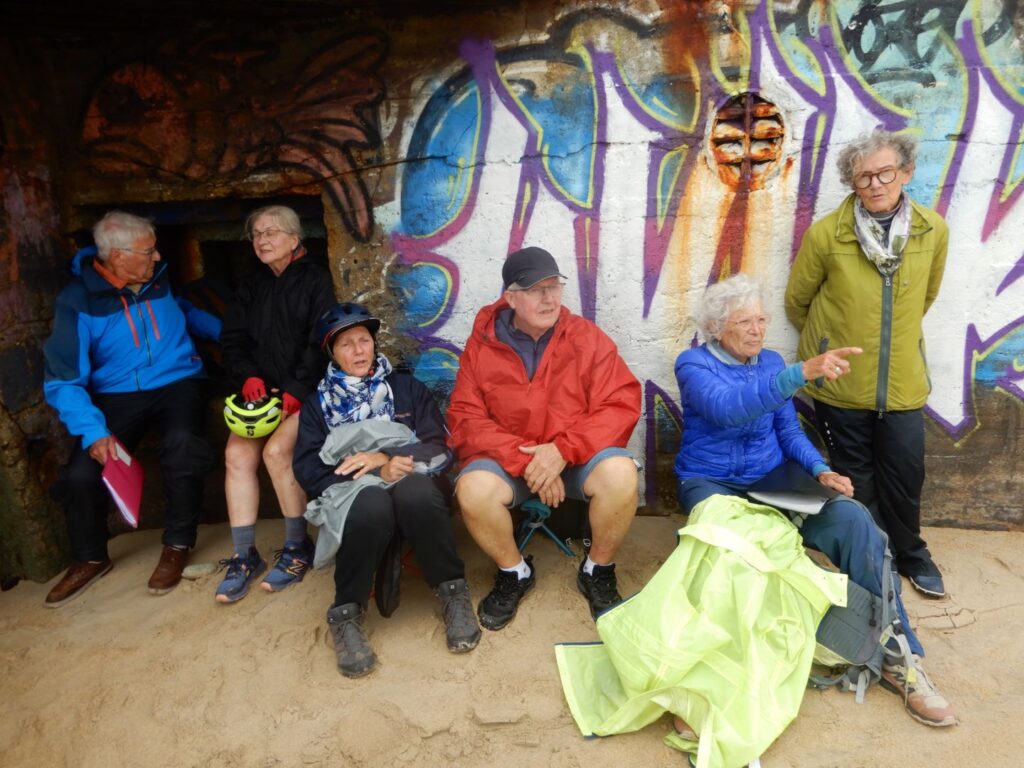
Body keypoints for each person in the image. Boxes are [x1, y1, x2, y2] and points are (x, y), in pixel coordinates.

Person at [675, 273, 956, 728]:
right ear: (715, 328)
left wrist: (820, 470)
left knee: (856, 522)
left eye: (761, 320)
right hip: (711, 482)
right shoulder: (693, 365)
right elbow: (728, 408)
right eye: (744, 322)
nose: (757, 330)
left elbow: (787, 431)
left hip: (773, 481)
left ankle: (897, 652)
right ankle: (716, 677)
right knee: (731, 550)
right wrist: (798, 374)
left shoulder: (769, 362)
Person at [785, 130, 948, 598]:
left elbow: (925, 296)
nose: (875, 184)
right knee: (855, 479)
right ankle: (878, 557)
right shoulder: (827, 235)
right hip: (841, 384)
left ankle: (913, 554)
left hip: (902, 383)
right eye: (863, 177)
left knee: (906, 474)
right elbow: (798, 301)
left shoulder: (932, 231)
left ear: (906, 173)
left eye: (885, 173)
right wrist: (829, 342)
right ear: (852, 183)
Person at [448, 246, 641, 629]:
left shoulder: (586, 338)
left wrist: (562, 451)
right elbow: (465, 419)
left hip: (575, 460)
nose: (549, 298)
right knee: (472, 489)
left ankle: (597, 569)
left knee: (621, 473)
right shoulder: (482, 345)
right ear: (511, 298)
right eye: (536, 290)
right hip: (512, 463)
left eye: (554, 287)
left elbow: (620, 403)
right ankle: (514, 571)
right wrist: (529, 461)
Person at [293, 303, 480, 678]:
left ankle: (453, 591)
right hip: (355, 491)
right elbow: (309, 469)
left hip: (413, 479)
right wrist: (366, 476)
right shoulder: (318, 406)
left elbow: (440, 447)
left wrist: (388, 457)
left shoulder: (406, 389)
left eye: (364, 340)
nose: (358, 350)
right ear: (332, 353)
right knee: (371, 504)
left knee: (415, 493)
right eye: (346, 344)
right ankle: (346, 612)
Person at [43, 211, 220, 606]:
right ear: (117, 256)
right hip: (117, 393)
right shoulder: (77, 301)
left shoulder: (157, 277)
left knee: (183, 444)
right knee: (80, 473)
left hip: (179, 380)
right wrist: (93, 431)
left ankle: (177, 543)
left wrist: (230, 333)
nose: (158, 257)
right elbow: (62, 381)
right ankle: (90, 557)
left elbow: (182, 311)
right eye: (148, 251)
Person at [214, 205, 335, 603]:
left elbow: (321, 341)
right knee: (236, 455)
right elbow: (233, 339)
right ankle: (243, 555)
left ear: (295, 238)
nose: (262, 240)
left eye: (271, 233)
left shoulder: (317, 279)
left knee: (277, 452)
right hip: (261, 395)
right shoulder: (252, 284)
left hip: (307, 393)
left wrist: (297, 389)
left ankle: (297, 546)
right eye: (256, 235)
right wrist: (247, 376)